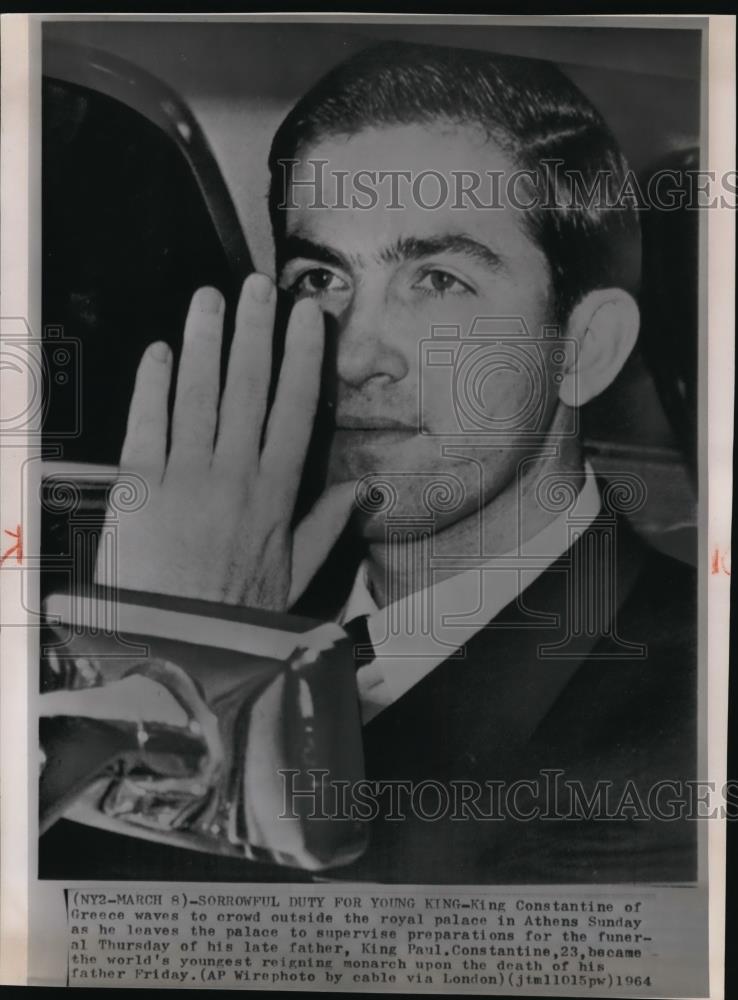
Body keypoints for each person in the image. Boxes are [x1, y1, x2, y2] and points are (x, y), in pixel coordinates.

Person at [50, 41, 697, 883]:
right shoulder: (252, 580)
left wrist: (185, 658)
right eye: (320, 278)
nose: (354, 357)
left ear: (584, 346)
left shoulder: (688, 701)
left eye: (438, 280)